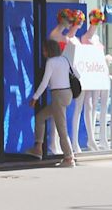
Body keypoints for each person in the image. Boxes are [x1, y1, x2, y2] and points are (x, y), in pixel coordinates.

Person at [25, 39, 76, 167]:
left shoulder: (51, 62)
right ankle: (38, 147)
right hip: (67, 93)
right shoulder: (64, 60)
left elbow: (44, 82)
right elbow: (77, 75)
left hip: (58, 95)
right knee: (41, 117)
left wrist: (35, 97)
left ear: (49, 50)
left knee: (61, 127)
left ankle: (69, 158)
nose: (43, 52)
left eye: (44, 49)